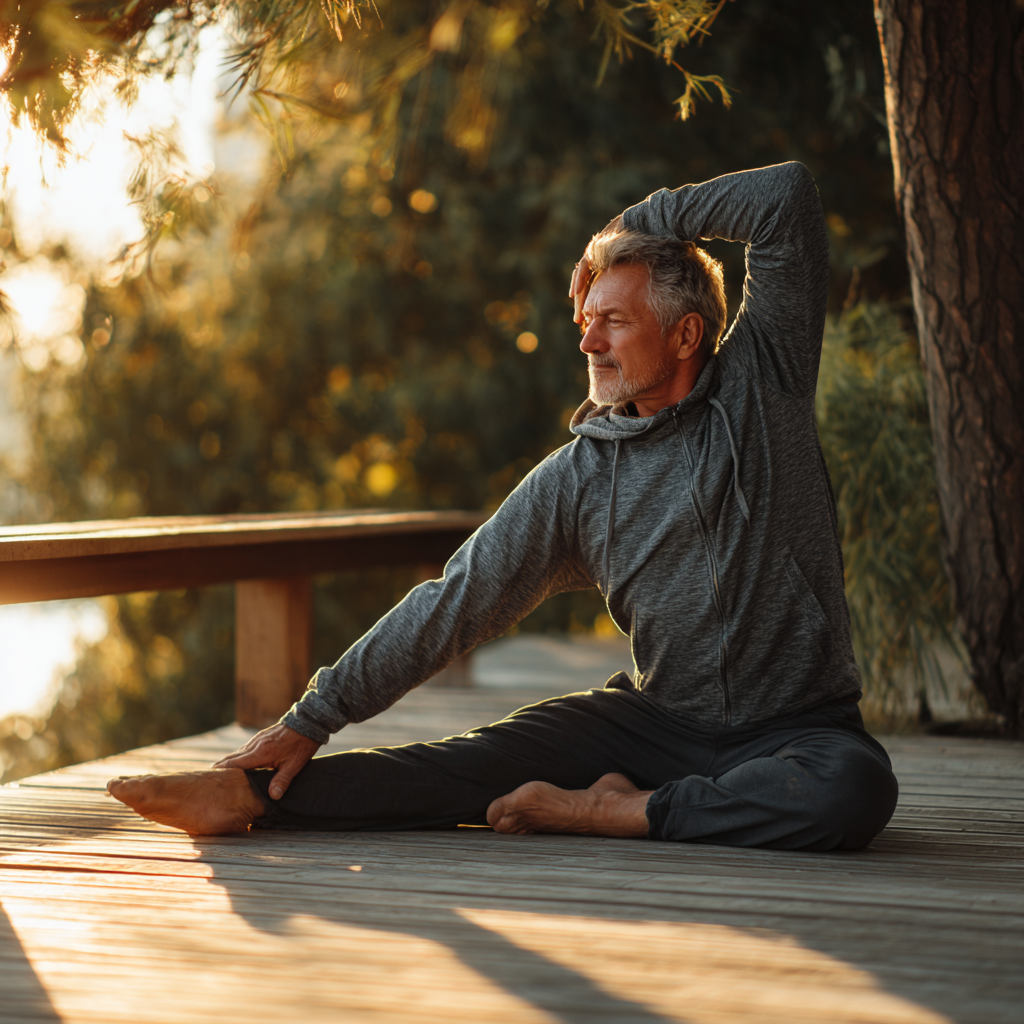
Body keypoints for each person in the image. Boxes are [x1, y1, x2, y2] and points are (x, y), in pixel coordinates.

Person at [108, 162, 899, 850]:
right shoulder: (578, 479)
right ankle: (243, 800)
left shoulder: (766, 385)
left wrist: (630, 224)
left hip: (799, 727)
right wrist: (311, 717)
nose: (588, 343)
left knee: (854, 792)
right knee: (466, 764)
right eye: (586, 323)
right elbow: (456, 599)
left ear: (687, 333)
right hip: (656, 725)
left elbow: (785, 197)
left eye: (614, 321)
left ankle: (613, 813)